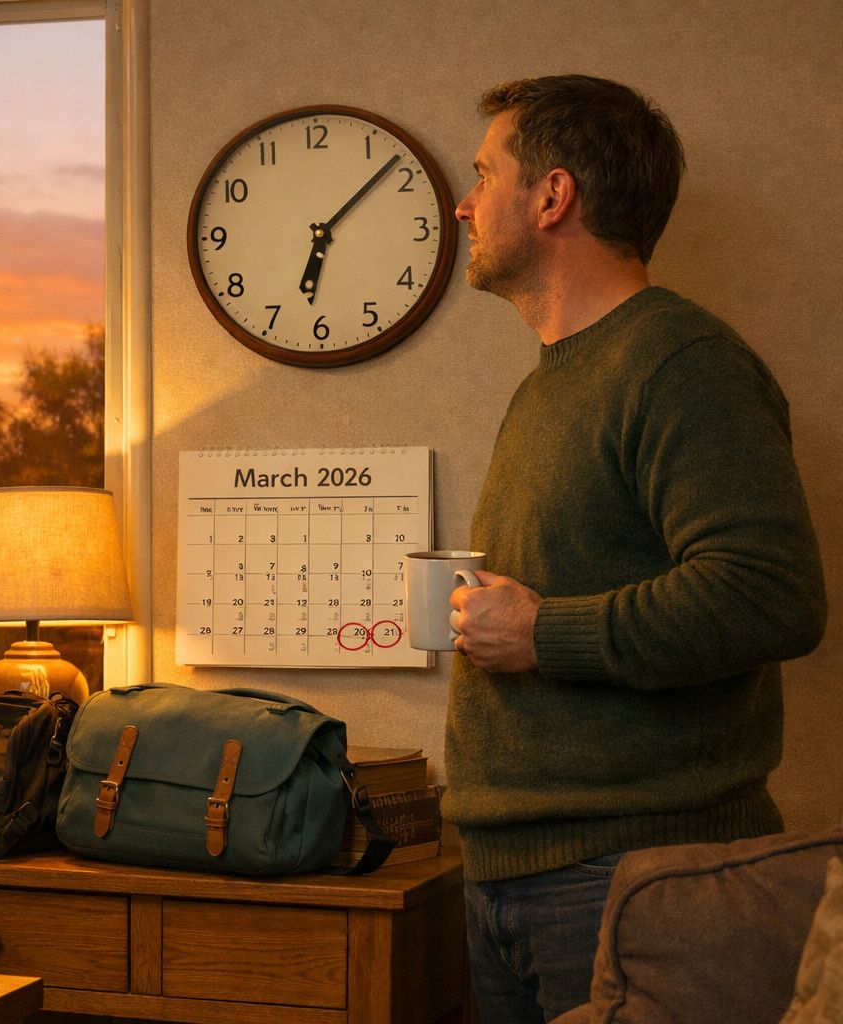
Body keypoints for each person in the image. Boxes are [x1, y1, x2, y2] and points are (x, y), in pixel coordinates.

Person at [445, 74, 826, 1022]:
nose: (464, 200)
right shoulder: (552, 381)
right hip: (509, 875)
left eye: (484, 173)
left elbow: (770, 594)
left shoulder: (680, 361)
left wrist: (543, 633)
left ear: (552, 196)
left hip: (627, 877)